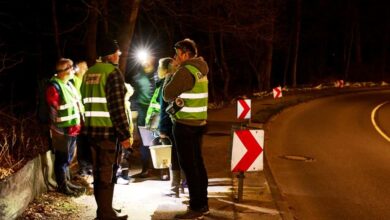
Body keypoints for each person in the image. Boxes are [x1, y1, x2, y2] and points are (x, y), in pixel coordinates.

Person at [81, 37, 132, 220]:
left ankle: (105, 210)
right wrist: (125, 135)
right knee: (106, 173)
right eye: (117, 52)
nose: (119, 54)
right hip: (107, 132)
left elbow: (84, 103)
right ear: (111, 54)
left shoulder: (89, 73)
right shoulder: (113, 73)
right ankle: (105, 215)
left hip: (91, 132)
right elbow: (117, 108)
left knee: (99, 171)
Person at [162, 38, 210, 219]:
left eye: (177, 53)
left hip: (185, 126)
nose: (175, 57)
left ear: (185, 54)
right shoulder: (201, 69)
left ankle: (196, 207)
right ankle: (203, 204)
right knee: (198, 164)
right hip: (199, 124)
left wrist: (170, 75)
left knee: (189, 167)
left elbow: (167, 95)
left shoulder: (184, 71)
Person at [46, 58, 86, 197]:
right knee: (62, 158)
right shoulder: (54, 86)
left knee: (67, 158)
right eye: (70, 67)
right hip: (62, 129)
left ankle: (67, 182)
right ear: (64, 70)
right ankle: (63, 186)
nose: (73, 70)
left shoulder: (68, 84)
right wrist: (55, 130)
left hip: (72, 128)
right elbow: (52, 110)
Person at [155, 57, 184, 196]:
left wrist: (162, 128)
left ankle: (174, 189)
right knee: (181, 156)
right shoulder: (180, 81)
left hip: (169, 125)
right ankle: (182, 186)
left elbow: (163, 108)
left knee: (174, 158)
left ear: (164, 69)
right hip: (181, 123)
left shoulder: (168, 81)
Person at [131, 56, 158, 178]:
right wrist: (134, 110)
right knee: (145, 142)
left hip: (156, 113)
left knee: (158, 139)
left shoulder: (158, 76)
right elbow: (134, 95)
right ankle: (146, 168)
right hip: (143, 113)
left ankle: (159, 167)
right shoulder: (137, 78)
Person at [71, 61, 93, 179]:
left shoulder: (85, 81)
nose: (86, 70)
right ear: (78, 70)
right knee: (81, 142)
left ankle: (88, 166)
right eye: (84, 68)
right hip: (80, 117)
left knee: (87, 142)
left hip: (86, 116)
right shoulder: (74, 81)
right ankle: (84, 167)